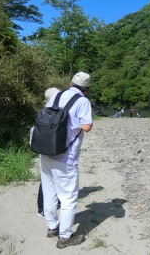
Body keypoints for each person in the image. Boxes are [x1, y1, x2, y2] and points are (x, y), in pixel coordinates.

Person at [40, 72, 93, 249]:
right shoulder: (83, 101)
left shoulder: (56, 95)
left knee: (49, 192)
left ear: (70, 84)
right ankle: (65, 237)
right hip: (65, 156)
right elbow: (86, 126)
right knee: (68, 196)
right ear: (86, 90)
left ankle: (52, 227)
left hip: (45, 150)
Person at [34, 87, 61, 218]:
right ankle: (41, 208)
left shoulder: (43, 111)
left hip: (43, 149)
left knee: (47, 178)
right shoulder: (51, 111)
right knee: (48, 179)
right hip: (50, 150)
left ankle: (45, 207)